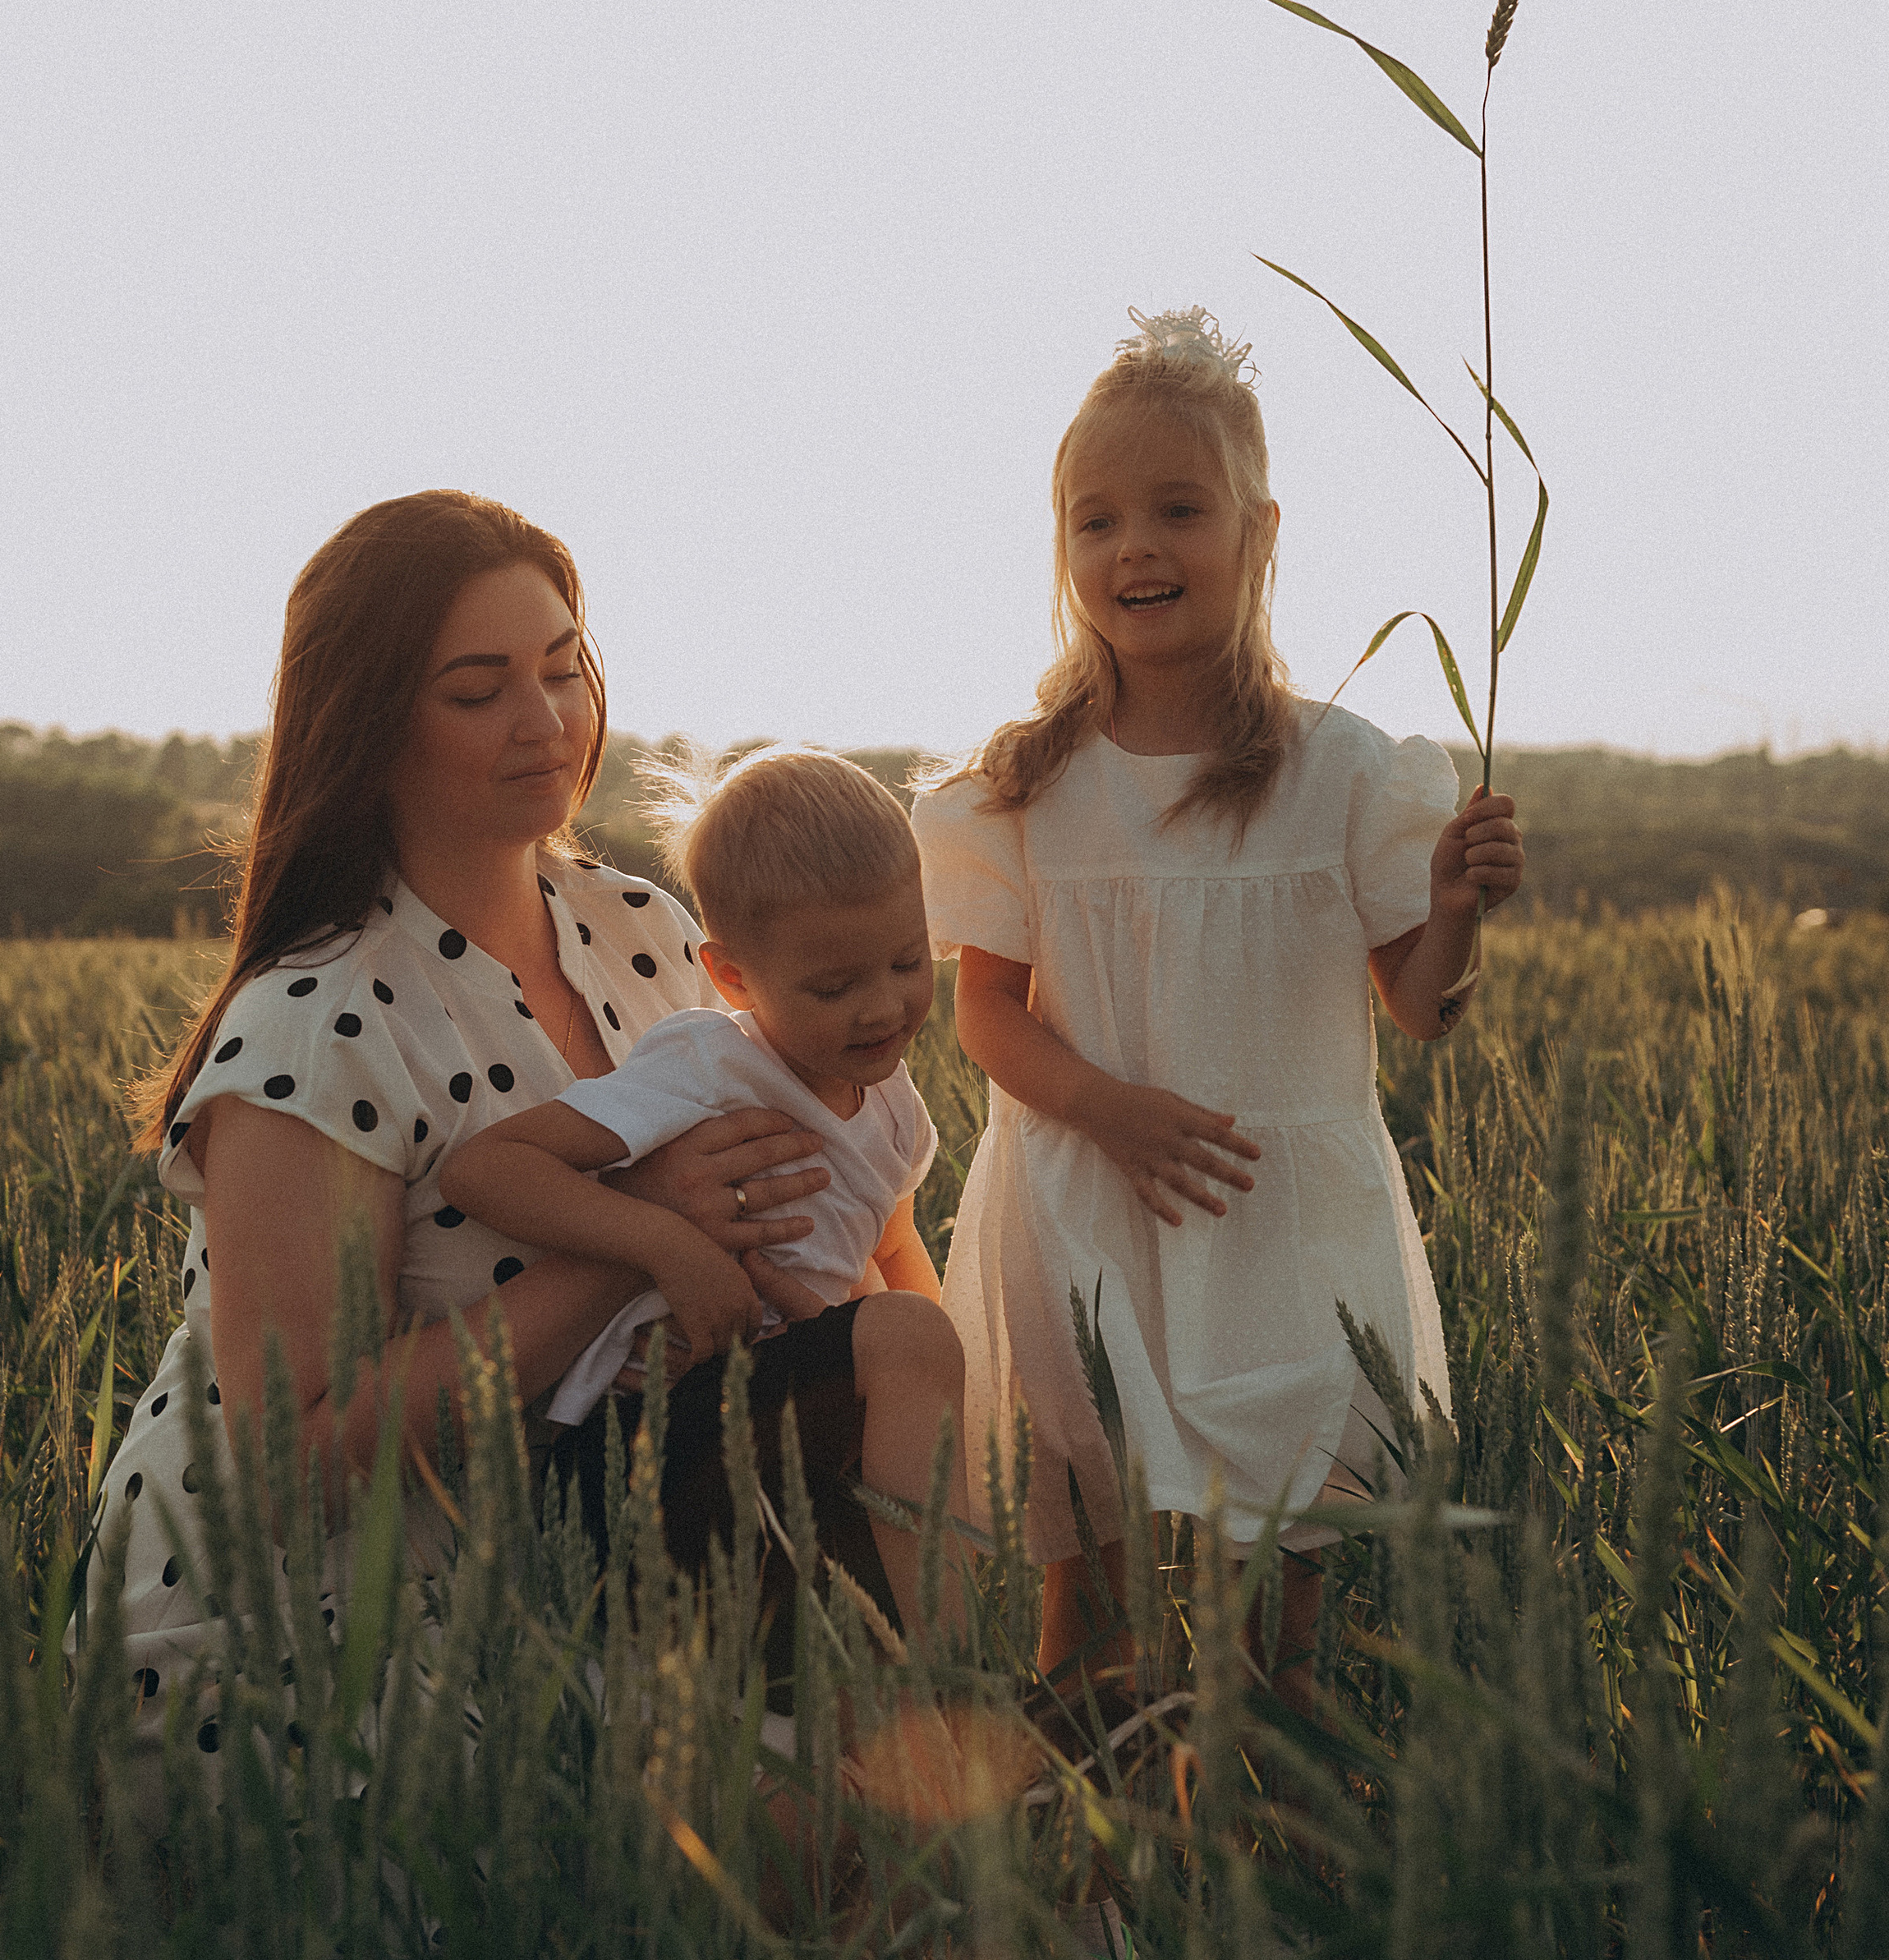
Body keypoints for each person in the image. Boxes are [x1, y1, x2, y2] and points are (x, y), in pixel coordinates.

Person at [99, 490, 842, 1750]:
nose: (545, 720)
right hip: (324, 1633)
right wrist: (628, 1234)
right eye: (478, 688)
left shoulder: (647, 930)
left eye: (563, 669)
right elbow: (288, 1469)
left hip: (612, 1547)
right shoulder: (316, 1020)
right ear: (373, 721)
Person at [910, 306, 1524, 1706]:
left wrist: (1457, 907)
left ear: (1261, 531)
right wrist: (1111, 1112)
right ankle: (1105, 1885)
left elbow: (1422, 1008)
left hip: (1275, 1220)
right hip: (1082, 1202)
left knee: (1276, 1629)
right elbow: (989, 1023)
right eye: (1095, 520)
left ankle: (1263, 1852)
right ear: (1061, 551)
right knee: (1094, 1608)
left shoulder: (1351, 775)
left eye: (1179, 510)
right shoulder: (1024, 787)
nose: (1135, 549)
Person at [439, 745, 974, 1665]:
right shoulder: (710, 1066)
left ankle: (905, 1692)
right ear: (730, 976)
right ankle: (955, 1677)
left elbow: (895, 1257)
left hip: (773, 1436)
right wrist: (663, 1245)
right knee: (907, 1343)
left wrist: (927, 1399)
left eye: (903, 961)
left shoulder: (890, 1106)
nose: (882, 1007)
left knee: (920, 1344)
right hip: (637, 1450)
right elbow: (487, 1170)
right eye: (833, 986)